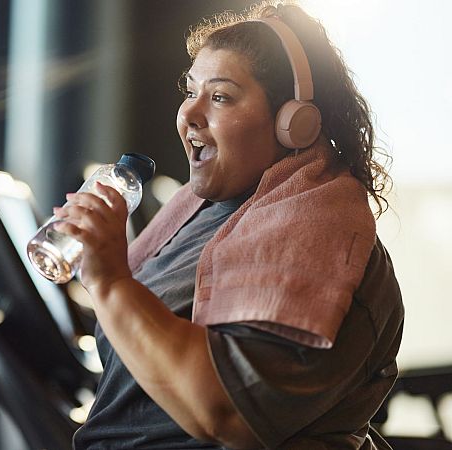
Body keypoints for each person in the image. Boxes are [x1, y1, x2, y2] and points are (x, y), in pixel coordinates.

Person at [55, 1, 404, 449]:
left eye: (220, 96)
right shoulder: (211, 213)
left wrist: (109, 281)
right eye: (190, 92)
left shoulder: (314, 234)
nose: (189, 115)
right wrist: (98, 267)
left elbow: (225, 412)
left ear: (292, 123)